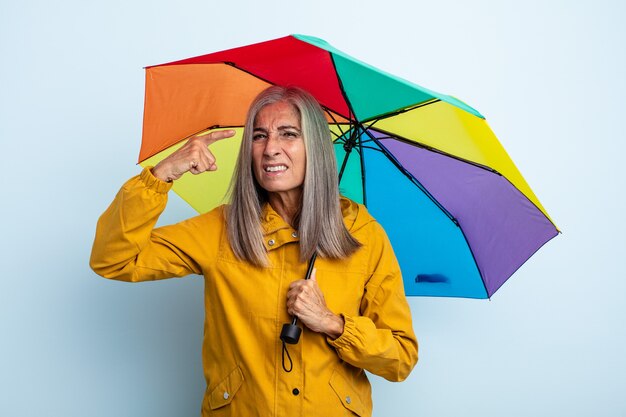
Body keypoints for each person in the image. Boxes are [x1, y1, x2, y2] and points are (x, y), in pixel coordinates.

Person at [90, 86, 418, 417]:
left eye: (288, 134)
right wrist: (163, 175)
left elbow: (400, 358)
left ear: (316, 148)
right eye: (259, 136)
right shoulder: (222, 229)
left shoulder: (363, 234)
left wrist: (332, 323)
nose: (270, 149)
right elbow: (114, 260)